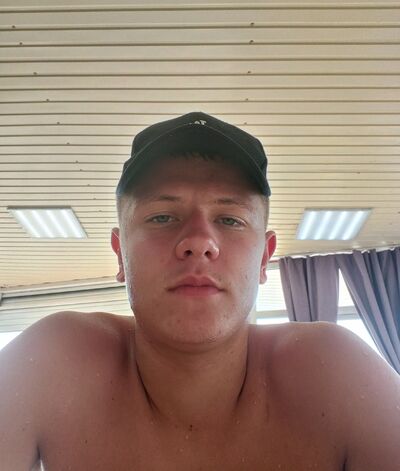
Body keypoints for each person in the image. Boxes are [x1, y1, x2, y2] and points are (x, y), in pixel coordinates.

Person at [0, 112, 399, 471]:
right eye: (162, 217)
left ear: (264, 258)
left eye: (230, 219)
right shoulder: (51, 362)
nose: (198, 241)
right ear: (121, 254)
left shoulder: (337, 375)